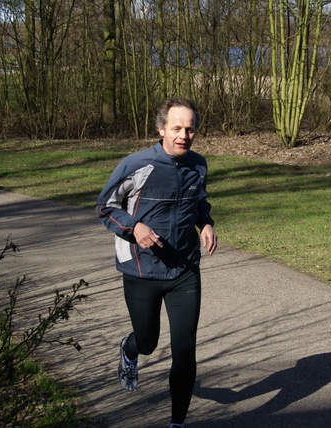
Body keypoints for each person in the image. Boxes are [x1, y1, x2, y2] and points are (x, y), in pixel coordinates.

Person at [95, 97, 217, 428]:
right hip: (141, 269)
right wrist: (134, 227)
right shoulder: (136, 164)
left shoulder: (198, 164)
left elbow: (199, 201)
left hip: (184, 270)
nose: (184, 135)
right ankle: (130, 348)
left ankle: (177, 422)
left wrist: (205, 222)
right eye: (176, 128)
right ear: (161, 128)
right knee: (148, 342)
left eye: (190, 129)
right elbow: (105, 206)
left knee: (184, 350)